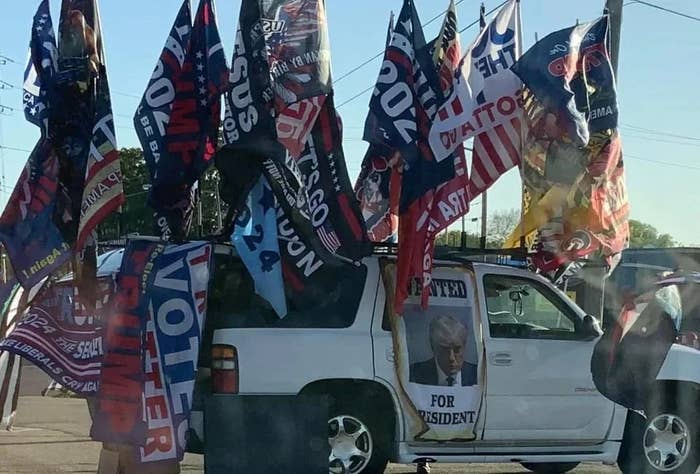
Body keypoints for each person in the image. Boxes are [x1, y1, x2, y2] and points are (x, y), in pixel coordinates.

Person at [410, 315, 477, 387]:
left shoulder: (479, 376)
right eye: (444, 350)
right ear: (433, 347)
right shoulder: (413, 375)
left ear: (464, 346)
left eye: (457, 350)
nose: (451, 358)